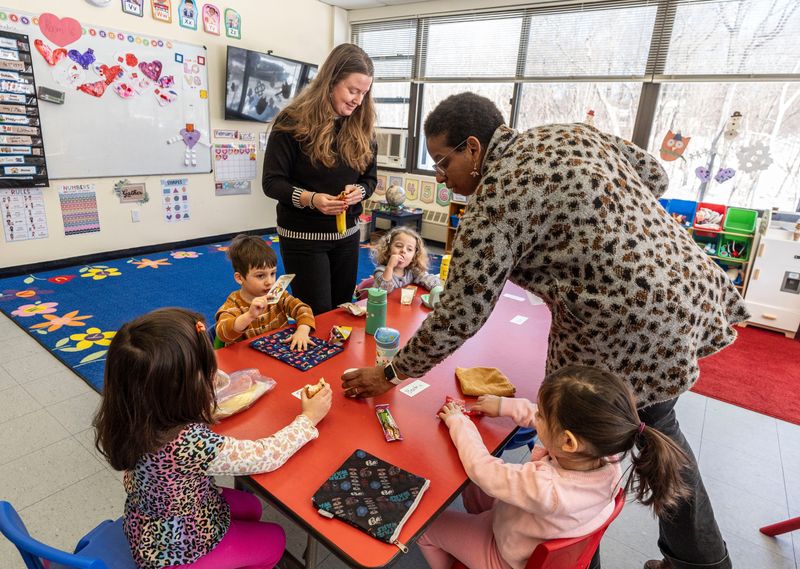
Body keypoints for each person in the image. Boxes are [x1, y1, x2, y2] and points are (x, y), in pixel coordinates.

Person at [342, 93, 749, 569]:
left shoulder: (497, 197)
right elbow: (655, 176)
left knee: (581, 436)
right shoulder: (569, 133)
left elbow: (461, 313)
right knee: (654, 426)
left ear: (474, 149)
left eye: (442, 161)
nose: (440, 176)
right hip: (686, 285)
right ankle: (697, 560)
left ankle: (582, 558)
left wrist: (392, 373)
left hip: (625, 327)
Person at [94, 308, 332, 569]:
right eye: (206, 370)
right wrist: (308, 419)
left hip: (150, 525)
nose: (213, 376)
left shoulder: (132, 413)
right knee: (275, 538)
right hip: (181, 549)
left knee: (251, 506)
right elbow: (267, 455)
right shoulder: (189, 442)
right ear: (180, 391)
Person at [420, 366, 690, 569]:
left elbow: (481, 467)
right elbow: (554, 420)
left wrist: (458, 421)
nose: (536, 417)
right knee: (475, 491)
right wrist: (505, 406)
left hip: (506, 557)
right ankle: (469, 530)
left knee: (428, 529)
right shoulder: (607, 457)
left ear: (568, 441)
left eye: (540, 416)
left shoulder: (545, 487)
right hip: (530, 531)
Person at [263, 43, 377, 315]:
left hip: (347, 236)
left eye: (364, 93)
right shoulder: (291, 122)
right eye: (352, 90)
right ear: (330, 81)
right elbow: (272, 182)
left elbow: (369, 180)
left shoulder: (363, 125)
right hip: (303, 236)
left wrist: (359, 192)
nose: (358, 100)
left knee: (341, 310)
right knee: (317, 313)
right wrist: (311, 199)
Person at [215, 234, 315, 349]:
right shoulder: (233, 304)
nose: (269, 282)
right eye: (260, 276)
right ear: (240, 278)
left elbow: (303, 309)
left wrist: (302, 330)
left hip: (278, 352)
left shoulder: (278, 294)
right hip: (248, 361)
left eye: (272, 273)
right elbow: (223, 334)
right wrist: (249, 315)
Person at [370, 226, 442, 293]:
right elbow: (383, 290)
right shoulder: (381, 271)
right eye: (399, 246)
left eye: (409, 249)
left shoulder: (412, 271)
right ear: (388, 250)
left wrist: (437, 287)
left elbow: (428, 279)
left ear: (414, 257)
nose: (403, 250)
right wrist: (390, 267)